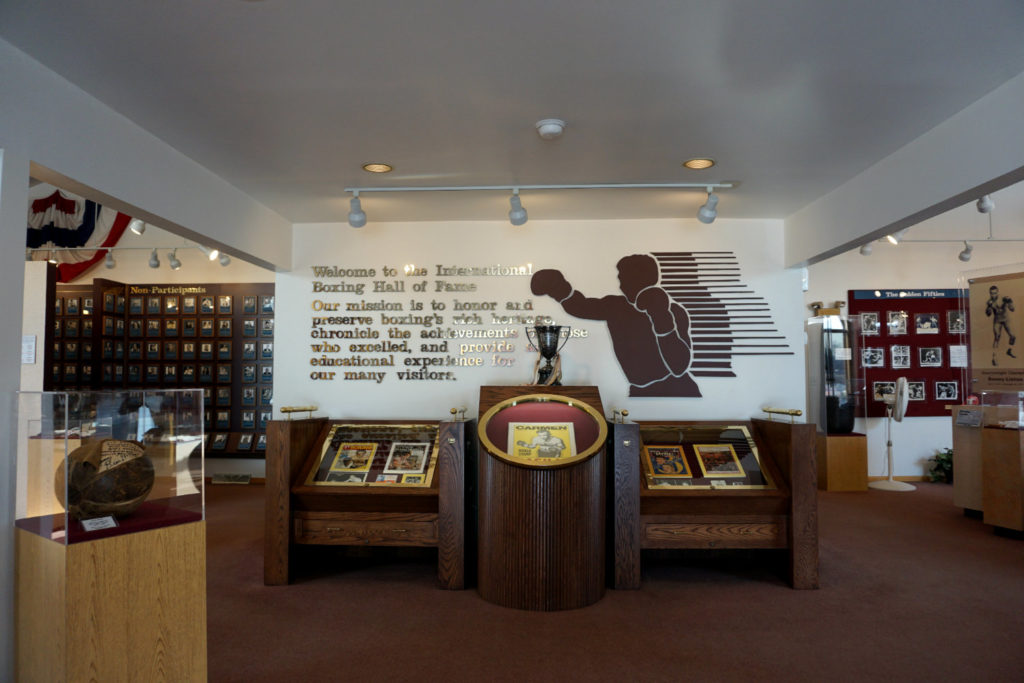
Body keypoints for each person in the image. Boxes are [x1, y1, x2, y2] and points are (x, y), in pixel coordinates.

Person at [531, 253, 698, 397]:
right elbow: (581, 306)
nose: (620, 285)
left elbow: (679, 367)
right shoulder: (616, 306)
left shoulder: (673, 312)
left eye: (624, 279)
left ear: (638, 280)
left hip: (677, 387)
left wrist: (661, 317)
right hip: (638, 390)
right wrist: (558, 287)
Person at [985, 285, 1016, 365]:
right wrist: (989, 307)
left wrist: (1010, 301)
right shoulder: (989, 301)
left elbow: (1012, 309)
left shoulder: (1003, 298)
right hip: (997, 320)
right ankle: (994, 358)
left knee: (1013, 336)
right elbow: (988, 314)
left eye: (995, 293)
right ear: (990, 293)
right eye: (991, 293)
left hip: (1006, 319)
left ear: (998, 292)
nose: (993, 295)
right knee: (997, 337)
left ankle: (1009, 350)